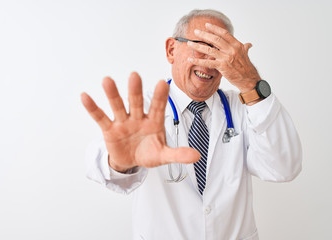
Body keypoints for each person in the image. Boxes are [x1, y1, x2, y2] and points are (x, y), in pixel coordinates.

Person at [81, 9, 302, 240]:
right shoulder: (142, 110)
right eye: (201, 46)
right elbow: (100, 166)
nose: (209, 62)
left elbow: (283, 167)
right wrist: (120, 162)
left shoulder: (245, 107)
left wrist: (251, 83)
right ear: (171, 50)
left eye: (219, 51)